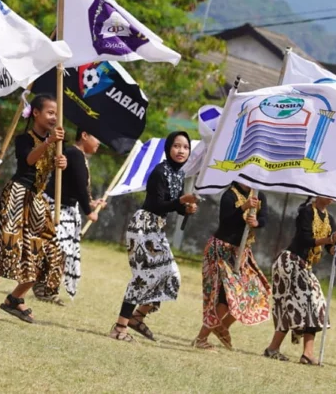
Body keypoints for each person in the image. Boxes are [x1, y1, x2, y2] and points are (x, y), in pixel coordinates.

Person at [0, 94, 66, 323]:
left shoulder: (58, 142)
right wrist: (49, 143)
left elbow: (52, 168)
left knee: (49, 252)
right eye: (50, 112)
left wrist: (62, 163)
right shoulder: (25, 139)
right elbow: (29, 160)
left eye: (56, 114)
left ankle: (14, 299)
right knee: (6, 248)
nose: (54, 117)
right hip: (17, 196)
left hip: (38, 200)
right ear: (37, 114)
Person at [109, 131, 199, 343]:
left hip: (157, 230)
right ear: (169, 148)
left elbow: (173, 205)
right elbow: (157, 204)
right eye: (177, 146)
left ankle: (137, 317)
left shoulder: (179, 174)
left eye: (185, 147)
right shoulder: (160, 171)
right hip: (143, 227)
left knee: (171, 275)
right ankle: (119, 327)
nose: (181, 150)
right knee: (141, 278)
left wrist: (186, 208)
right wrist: (181, 202)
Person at [192, 181, 272, 350]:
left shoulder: (259, 195)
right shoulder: (229, 195)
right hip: (221, 250)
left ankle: (222, 326)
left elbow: (264, 218)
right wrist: (243, 208)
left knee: (255, 291)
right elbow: (226, 220)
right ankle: (201, 338)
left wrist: (257, 222)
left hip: (242, 252)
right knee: (223, 295)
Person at [264, 196, 336, 364]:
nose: (332, 198)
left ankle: (280, 349)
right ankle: (302, 353)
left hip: (305, 266)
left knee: (310, 305)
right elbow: (304, 240)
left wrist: (334, 247)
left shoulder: (329, 219)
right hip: (290, 262)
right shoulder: (306, 212)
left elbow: (328, 246)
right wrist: (328, 240)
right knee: (301, 305)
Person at [34, 128, 105, 304]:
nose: (99, 143)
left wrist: (91, 203)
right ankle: (42, 287)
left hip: (65, 207)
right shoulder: (74, 154)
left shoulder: (77, 156)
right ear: (85, 135)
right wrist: (89, 212)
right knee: (58, 249)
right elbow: (80, 188)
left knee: (61, 251)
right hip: (55, 206)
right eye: (97, 137)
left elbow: (77, 186)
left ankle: (47, 288)